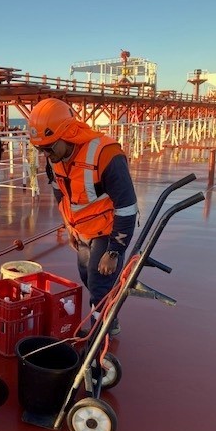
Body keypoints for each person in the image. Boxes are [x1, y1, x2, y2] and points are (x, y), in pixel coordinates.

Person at [27, 98, 138, 337]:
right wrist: (69, 227)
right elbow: (61, 192)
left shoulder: (106, 154)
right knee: (87, 275)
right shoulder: (54, 157)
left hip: (108, 231)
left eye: (49, 147)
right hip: (82, 231)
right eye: (40, 149)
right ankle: (110, 315)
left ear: (67, 134)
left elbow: (127, 206)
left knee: (99, 285)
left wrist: (114, 251)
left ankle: (98, 338)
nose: (45, 154)